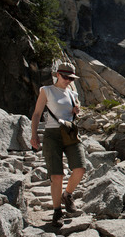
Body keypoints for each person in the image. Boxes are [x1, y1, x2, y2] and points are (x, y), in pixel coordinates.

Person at [30, 62, 86, 227]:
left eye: (71, 78)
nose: (69, 80)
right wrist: (34, 135)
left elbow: (75, 110)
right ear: (58, 75)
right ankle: (57, 211)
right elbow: (37, 114)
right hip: (52, 135)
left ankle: (67, 195)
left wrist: (76, 110)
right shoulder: (46, 91)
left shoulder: (72, 93)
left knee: (80, 168)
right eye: (66, 77)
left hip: (69, 133)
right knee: (56, 175)